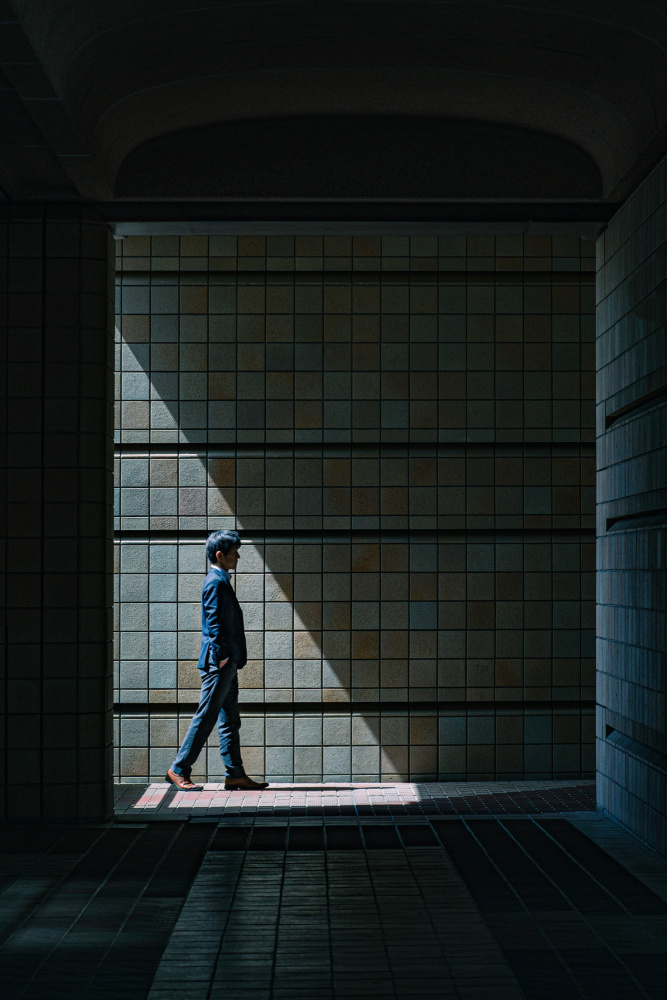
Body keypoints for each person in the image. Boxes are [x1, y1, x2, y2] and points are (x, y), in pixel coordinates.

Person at [166, 529, 269, 791]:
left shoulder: (220, 580)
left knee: (229, 720)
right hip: (218, 664)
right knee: (207, 716)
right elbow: (213, 624)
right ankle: (179, 769)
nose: (238, 557)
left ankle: (235, 774)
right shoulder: (214, 582)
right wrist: (222, 657)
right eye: (234, 553)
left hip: (226, 663)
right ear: (220, 555)